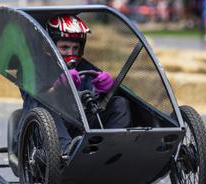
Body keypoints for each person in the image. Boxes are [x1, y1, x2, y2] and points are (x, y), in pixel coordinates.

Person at [16, 15, 131, 154]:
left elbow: (94, 99)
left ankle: (111, 151)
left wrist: (105, 89)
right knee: (48, 107)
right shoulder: (30, 66)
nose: (71, 53)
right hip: (39, 131)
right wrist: (58, 88)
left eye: (75, 48)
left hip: (78, 127)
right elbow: (34, 99)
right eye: (64, 47)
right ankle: (68, 155)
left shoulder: (83, 66)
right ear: (49, 46)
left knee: (120, 103)